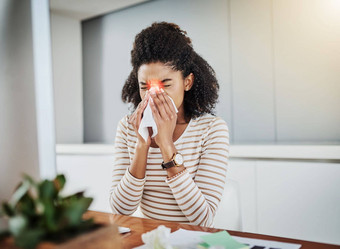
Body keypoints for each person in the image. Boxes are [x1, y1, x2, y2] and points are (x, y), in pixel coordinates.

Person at [110, 22, 229, 227]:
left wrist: (166, 145)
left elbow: (202, 219)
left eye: (165, 84)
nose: (154, 95)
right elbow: (120, 211)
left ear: (187, 82)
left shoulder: (212, 130)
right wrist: (141, 146)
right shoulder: (128, 128)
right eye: (144, 87)